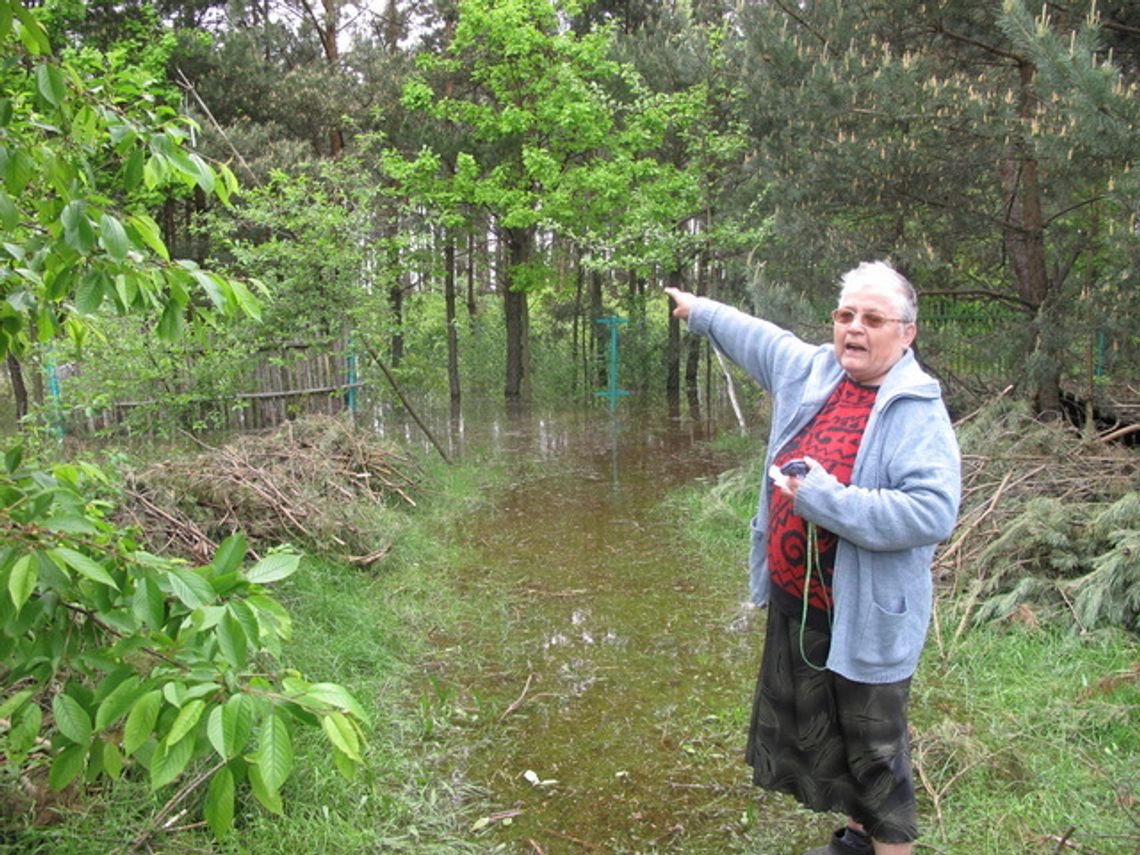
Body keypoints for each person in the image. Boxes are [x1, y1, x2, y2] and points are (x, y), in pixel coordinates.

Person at [665, 261, 961, 855]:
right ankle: (856, 840)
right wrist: (700, 312)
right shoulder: (815, 372)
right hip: (801, 606)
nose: (855, 327)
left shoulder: (915, 408)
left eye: (873, 318)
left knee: (875, 751)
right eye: (845, 315)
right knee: (828, 737)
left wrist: (826, 500)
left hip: (867, 617)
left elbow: (931, 512)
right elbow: (759, 337)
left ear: (906, 333)